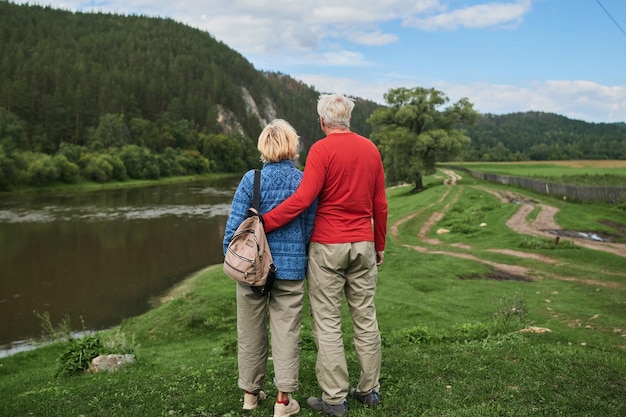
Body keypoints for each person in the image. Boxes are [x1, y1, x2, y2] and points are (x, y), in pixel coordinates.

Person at [262, 94, 388, 416]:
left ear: (322, 121)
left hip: (328, 247)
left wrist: (266, 221)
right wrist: (380, 245)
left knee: (328, 323)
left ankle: (334, 399)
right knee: (365, 316)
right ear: (349, 119)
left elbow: (304, 199)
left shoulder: (321, 150)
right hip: (363, 244)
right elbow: (380, 205)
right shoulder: (371, 149)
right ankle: (370, 390)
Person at [223, 119, 317, 417]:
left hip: (252, 269)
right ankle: (283, 401)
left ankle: (250, 395)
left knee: (250, 330)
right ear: (292, 146)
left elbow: (235, 226)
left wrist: (232, 255)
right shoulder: (304, 180)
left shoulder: (252, 179)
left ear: (263, 147)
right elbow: (310, 229)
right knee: (287, 331)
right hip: (290, 268)